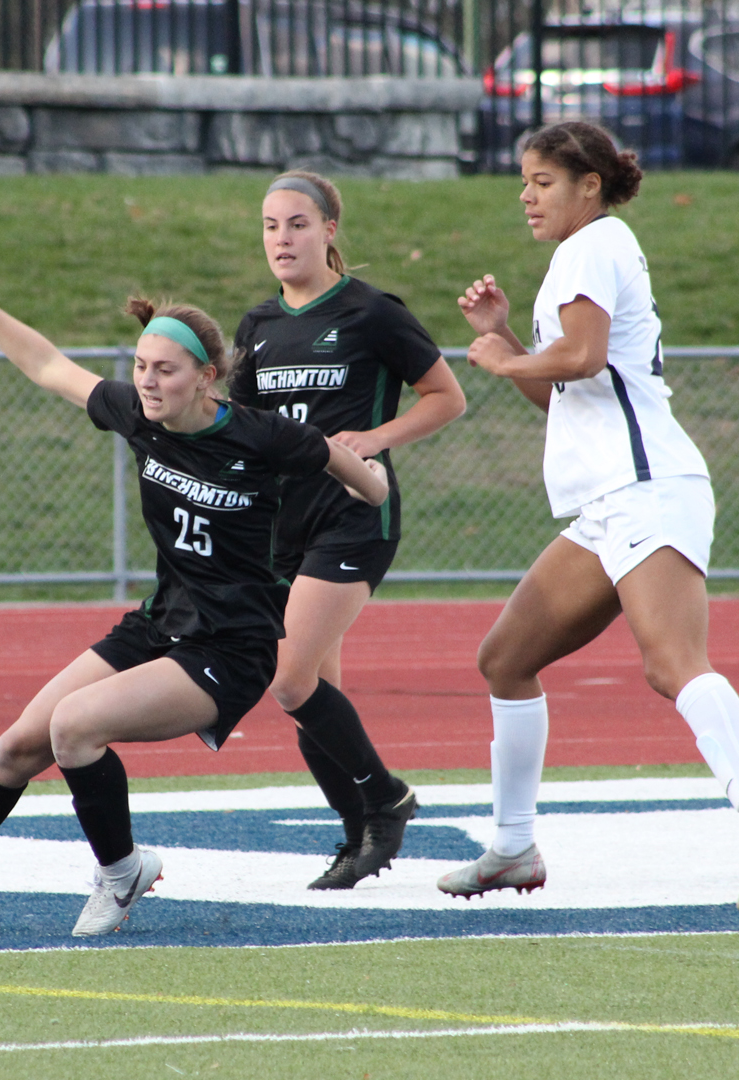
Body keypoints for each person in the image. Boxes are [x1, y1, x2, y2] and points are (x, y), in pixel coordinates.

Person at [0, 246, 388, 936]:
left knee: (76, 726)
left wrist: (363, 491)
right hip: (160, 624)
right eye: (140, 366)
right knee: (16, 747)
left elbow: (368, 482)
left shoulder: (263, 435)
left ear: (207, 378)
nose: (148, 382)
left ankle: (122, 874)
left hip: (232, 646)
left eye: (166, 370)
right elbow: (46, 365)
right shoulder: (135, 414)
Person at [438, 122, 739, 911]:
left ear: (589, 186)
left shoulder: (593, 244)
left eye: (542, 181)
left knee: (670, 663)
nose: (526, 195)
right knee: (505, 658)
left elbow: (583, 357)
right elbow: (563, 389)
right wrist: (504, 337)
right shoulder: (582, 254)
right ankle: (511, 848)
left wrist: (505, 358)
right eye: (525, 181)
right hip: (606, 503)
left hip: (646, 489)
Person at [230, 170, 466, 890]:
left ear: (330, 229)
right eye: (271, 226)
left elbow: (446, 398)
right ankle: (356, 835)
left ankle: (386, 800)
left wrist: (373, 436)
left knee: (290, 679)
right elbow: (243, 433)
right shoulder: (258, 327)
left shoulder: (371, 312)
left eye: (297, 224)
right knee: (314, 692)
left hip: (354, 517)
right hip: (284, 527)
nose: (282, 239)